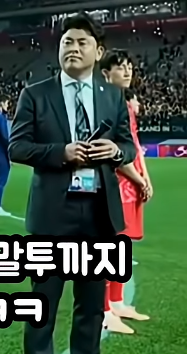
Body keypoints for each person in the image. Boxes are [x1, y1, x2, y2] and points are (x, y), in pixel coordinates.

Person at [9, 12, 136, 354]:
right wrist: (61, 153)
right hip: (52, 214)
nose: (73, 48)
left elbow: (127, 146)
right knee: (41, 307)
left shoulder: (112, 96)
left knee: (91, 309)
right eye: (67, 42)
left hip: (98, 215)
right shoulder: (35, 94)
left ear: (98, 51)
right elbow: (17, 147)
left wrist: (115, 151)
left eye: (82, 42)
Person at [100, 49, 153, 333]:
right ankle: (104, 310)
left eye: (129, 66)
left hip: (132, 184)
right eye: (120, 67)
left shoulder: (126, 105)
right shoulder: (105, 105)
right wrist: (138, 177)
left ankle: (117, 301)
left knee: (123, 245)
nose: (127, 71)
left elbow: (135, 144)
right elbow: (113, 152)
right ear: (106, 74)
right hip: (115, 185)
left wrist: (145, 177)